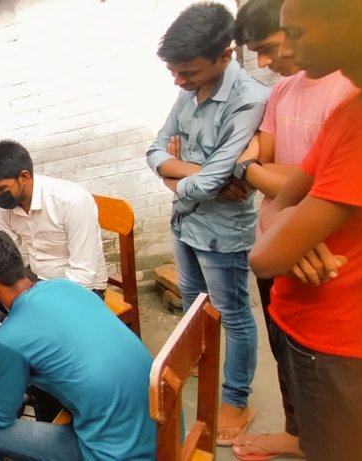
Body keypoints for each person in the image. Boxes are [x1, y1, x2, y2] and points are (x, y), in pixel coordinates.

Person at [230, 0, 358, 458]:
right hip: (300, 305)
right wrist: (285, 219)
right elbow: (278, 192)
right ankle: (298, 435)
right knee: (300, 387)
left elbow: (264, 255)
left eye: (295, 35)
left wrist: (255, 176)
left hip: (339, 322)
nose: (278, 56)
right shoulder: (343, 109)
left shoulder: (351, 106)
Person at [145, 2, 269, 444]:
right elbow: (155, 151)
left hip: (223, 232)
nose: (179, 81)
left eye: (188, 72)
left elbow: (209, 180)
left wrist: (177, 173)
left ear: (225, 55)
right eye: (174, 73)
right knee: (195, 302)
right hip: (185, 222)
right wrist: (190, 174)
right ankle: (202, 360)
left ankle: (236, 397)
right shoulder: (188, 90)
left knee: (234, 314)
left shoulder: (249, 98)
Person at [0, 229, 155, 461]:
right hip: (156, 428)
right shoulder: (67, 287)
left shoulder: (7, 339)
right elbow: (57, 340)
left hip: (109, 454)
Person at [0, 140, 107, 296]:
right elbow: (8, 258)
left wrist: (46, 304)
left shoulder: (71, 201)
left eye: (0, 188)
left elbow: (84, 274)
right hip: (38, 280)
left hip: (83, 289)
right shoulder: (6, 209)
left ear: (24, 177)